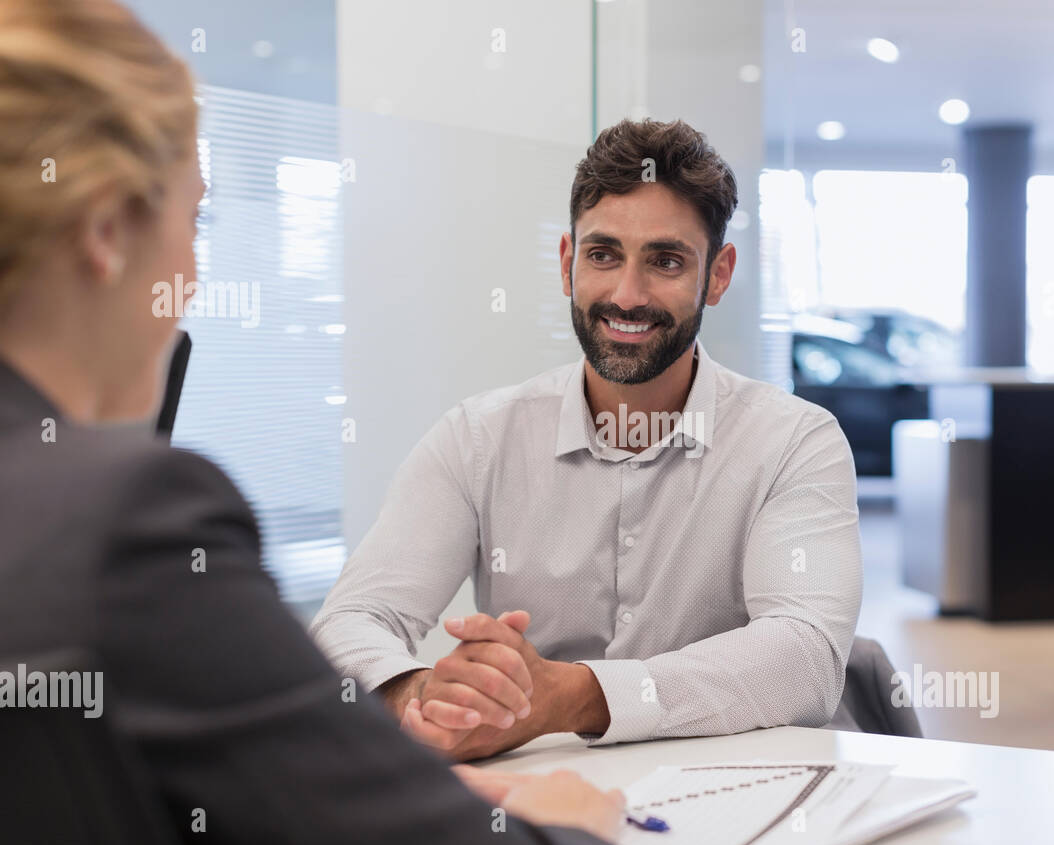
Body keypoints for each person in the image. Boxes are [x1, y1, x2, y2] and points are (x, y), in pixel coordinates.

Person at [0, 0, 649, 845]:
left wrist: (351, 791)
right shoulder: (127, 519)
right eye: (194, 223)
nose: (191, 278)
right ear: (109, 231)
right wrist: (567, 831)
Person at [311, 119, 864, 761]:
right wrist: (424, 697)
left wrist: (571, 696)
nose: (627, 296)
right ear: (569, 263)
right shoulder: (477, 439)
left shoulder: (795, 442)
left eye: (665, 261)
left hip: (738, 801)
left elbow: (805, 656)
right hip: (538, 810)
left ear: (717, 275)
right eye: (604, 256)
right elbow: (349, 622)